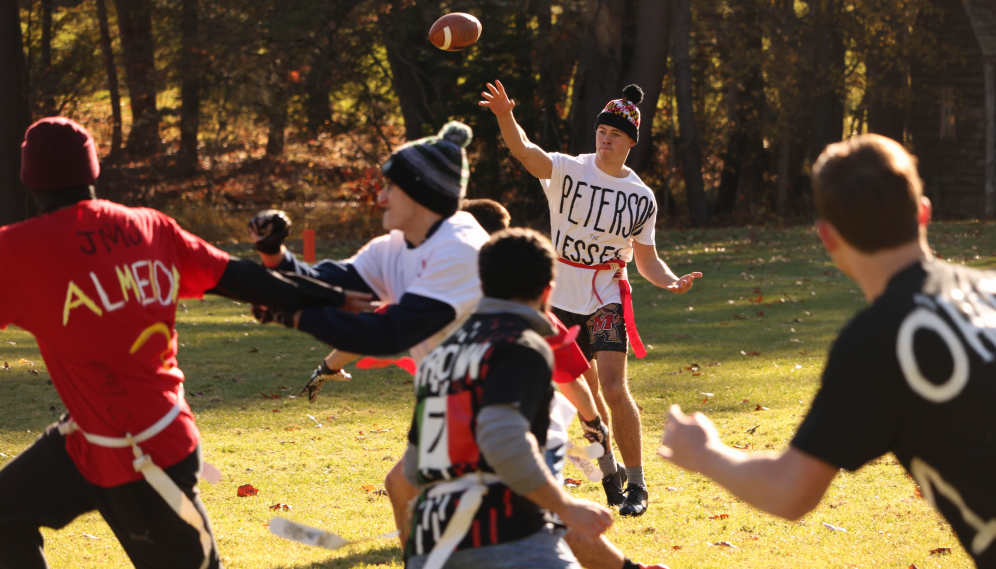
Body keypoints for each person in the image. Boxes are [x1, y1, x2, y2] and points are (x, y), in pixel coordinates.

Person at [0, 118, 365, 569]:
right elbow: (241, 278)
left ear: (27, 175)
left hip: (144, 461)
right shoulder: (148, 228)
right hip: (98, 441)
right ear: (93, 168)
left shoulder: (16, 252)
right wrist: (335, 297)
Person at [658, 134, 996, 567]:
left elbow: (790, 490)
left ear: (827, 238)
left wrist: (705, 453)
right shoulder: (987, 290)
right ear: (924, 212)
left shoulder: (879, 340)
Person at [250, 121, 492, 546]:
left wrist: (292, 316)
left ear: (420, 192)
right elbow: (330, 282)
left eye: (390, 187)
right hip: (449, 397)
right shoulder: (398, 244)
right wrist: (276, 257)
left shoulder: (459, 247)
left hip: (498, 401)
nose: (379, 196)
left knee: (492, 531)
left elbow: (389, 335)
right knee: (404, 487)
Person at [480, 80, 702, 516]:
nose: (605, 139)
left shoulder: (641, 197)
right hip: (557, 298)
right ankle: (608, 471)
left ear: (630, 142)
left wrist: (672, 281)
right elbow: (525, 151)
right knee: (572, 396)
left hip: (605, 298)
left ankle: (637, 485)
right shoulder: (568, 169)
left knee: (615, 389)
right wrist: (506, 114)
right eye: (602, 131)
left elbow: (646, 260)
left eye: (615, 134)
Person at [401, 228, 613, 569]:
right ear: (548, 291)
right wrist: (566, 506)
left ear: (482, 285)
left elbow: (413, 467)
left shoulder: (443, 351)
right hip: (508, 541)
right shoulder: (522, 347)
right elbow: (502, 439)